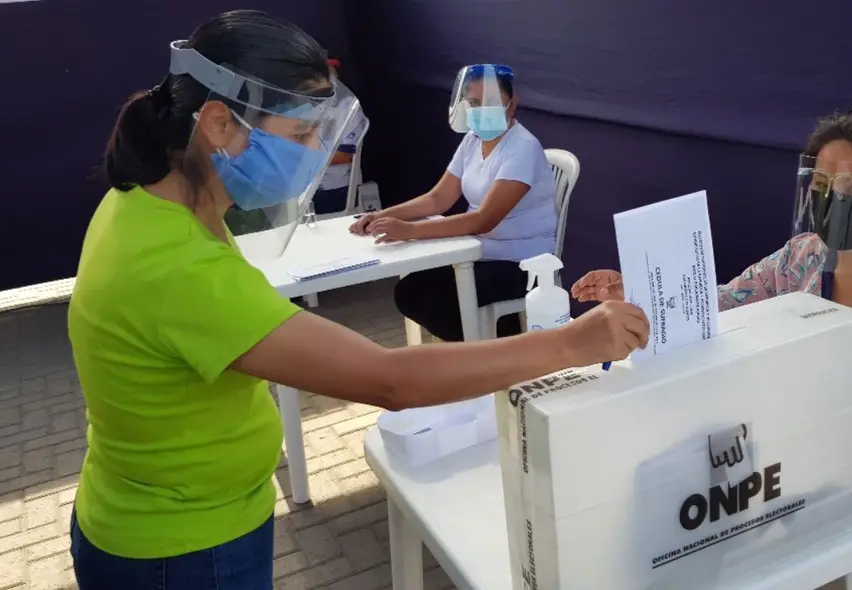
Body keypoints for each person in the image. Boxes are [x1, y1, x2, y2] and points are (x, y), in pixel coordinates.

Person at [66, 11, 649, 590]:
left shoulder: (149, 203)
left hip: (182, 513)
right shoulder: (178, 265)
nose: (317, 148)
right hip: (182, 547)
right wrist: (573, 342)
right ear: (219, 123)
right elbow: (386, 380)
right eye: (300, 134)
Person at [571, 107, 852, 533]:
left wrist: (782, 431)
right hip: (821, 443)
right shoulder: (804, 255)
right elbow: (723, 304)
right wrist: (643, 293)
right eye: (824, 184)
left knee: (753, 523)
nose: (834, 200)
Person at [350, 64, 558, 342]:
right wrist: (381, 215)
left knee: (439, 301)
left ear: (512, 103)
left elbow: (484, 220)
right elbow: (439, 198)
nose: (480, 110)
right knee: (411, 291)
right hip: (477, 253)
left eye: (490, 102)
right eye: (473, 103)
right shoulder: (473, 140)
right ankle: (487, 346)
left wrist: (410, 231)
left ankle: (493, 353)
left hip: (520, 264)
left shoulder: (522, 148)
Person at [311, 58, 369, 216]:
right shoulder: (299, 107)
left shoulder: (348, 108)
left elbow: (346, 155)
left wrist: (305, 158)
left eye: (330, 73)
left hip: (335, 188)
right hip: (301, 189)